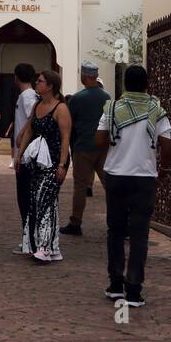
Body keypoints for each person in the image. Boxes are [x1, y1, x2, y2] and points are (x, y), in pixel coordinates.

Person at [95, 64, 171, 308]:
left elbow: (99, 139)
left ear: (125, 84)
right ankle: (134, 290)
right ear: (147, 83)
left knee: (115, 231)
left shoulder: (113, 108)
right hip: (144, 177)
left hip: (116, 175)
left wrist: (115, 146)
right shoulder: (155, 109)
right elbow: (167, 144)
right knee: (139, 235)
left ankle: (116, 284)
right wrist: (163, 169)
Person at [15, 69, 72, 262]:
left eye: (40, 81)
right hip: (37, 160)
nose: (37, 84)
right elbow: (30, 130)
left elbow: (65, 139)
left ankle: (44, 247)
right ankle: (51, 247)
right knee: (40, 200)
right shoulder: (38, 105)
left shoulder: (61, 108)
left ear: (50, 86)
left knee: (44, 199)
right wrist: (19, 155)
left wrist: (62, 165)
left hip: (55, 160)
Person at [61, 61, 111, 236]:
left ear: (84, 76)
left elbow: (69, 123)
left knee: (80, 187)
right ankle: (117, 222)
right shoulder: (107, 98)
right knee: (110, 186)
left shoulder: (77, 99)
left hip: (83, 147)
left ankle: (76, 222)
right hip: (104, 147)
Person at [9, 63, 38, 246]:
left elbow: (32, 118)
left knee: (25, 198)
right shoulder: (30, 95)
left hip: (26, 154)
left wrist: (21, 135)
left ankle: (29, 237)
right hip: (26, 153)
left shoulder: (27, 97)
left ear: (16, 77)